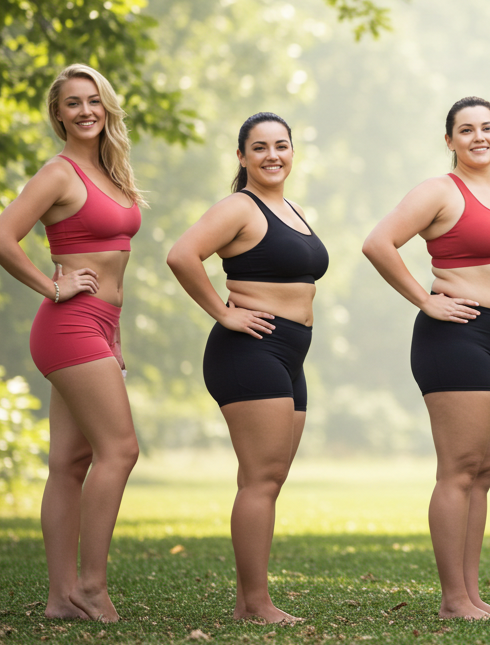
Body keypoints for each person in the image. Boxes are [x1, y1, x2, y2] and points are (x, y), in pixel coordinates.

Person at [362, 97, 490, 620]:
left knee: (483, 473)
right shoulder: (438, 191)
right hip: (458, 338)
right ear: (450, 140)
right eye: (466, 130)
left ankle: (473, 594)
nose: (478, 137)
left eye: (487, 127)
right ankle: (453, 600)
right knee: (458, 470)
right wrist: (424, 298)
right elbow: (379, 243)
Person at [166, 112, 326, 622]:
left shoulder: (294, 209)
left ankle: (251, 601)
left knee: (270, 478)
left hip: (288, 353)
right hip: (250, 351)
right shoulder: (240, 206)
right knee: (260, 478)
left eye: (282, 145)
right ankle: (255, 605)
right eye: (259, 147)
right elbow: (182, 255)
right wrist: (223, 311)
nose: (272, 155)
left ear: (293, 152)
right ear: (241, 156)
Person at [0, 65, 144, 622]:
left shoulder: (110, 171)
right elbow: (4, 235)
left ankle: (61, 598)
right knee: (121, 450)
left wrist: (118, 336)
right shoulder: (58, 173)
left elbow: (117, 268)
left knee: (70, 460)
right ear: (57, 114)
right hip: (68, 324)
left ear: (106, 107)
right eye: (73, 103)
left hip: (100, 326)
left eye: (94, 101)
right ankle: (90, 584)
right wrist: (51, 284)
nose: (86, 111)